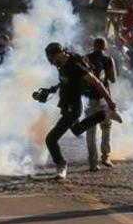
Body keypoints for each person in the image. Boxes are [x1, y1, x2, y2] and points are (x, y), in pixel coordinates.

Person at [43, 42, 122, 181]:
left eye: (52, 58)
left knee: (50, 139)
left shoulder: (75, 67)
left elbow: (97, 83)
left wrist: (110, 102)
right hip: (66, 106)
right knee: (77, 130)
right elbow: (64, 81)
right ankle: (104, 115)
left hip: (73, 108)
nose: (51, 62)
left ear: (59, 53)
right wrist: (52, 90)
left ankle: (61, 166)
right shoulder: (62, 65)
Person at [84, 37, 118, 170]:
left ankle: (92, 162)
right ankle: (106, 156)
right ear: (105, 47)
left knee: (90, 131)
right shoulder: (108, 59)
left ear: (94, 46)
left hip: (89, 98)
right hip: (104, 97)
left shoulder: (85, 59)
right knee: (106, 127)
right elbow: (113, 79)